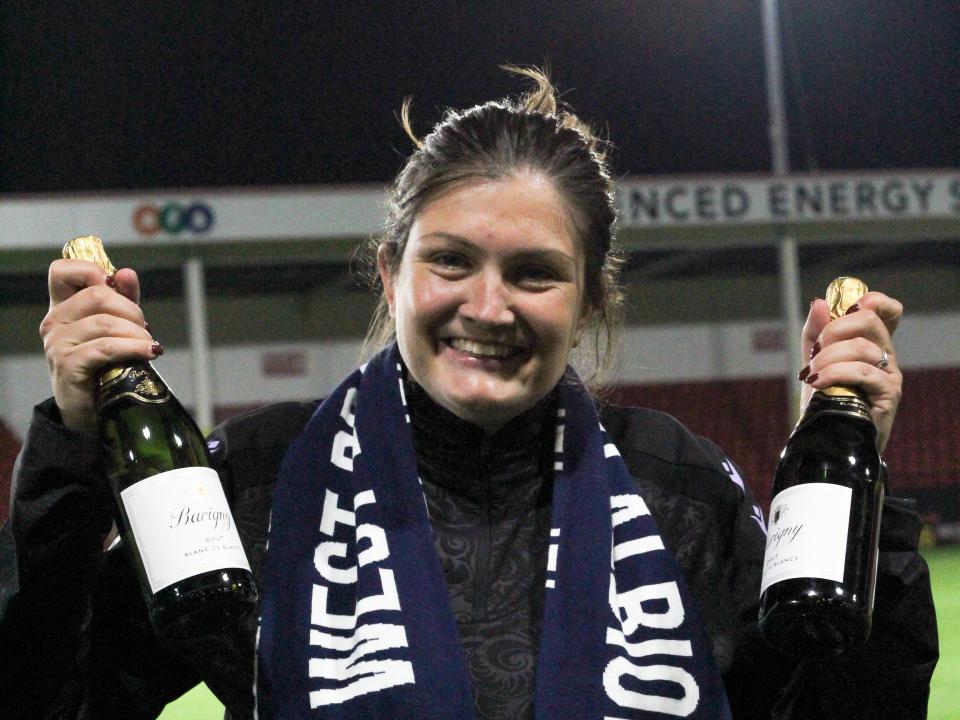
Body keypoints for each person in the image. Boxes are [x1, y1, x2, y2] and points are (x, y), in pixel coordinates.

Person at [0, 68, 937, 719]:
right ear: (390, 273)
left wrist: (872, 510)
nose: (487, 307)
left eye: (534, 272)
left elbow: (847, 707)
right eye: (450, 261)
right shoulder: (255, 481)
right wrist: (75, 446)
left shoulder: (679, 486)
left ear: (589, 300)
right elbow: (53, 696)